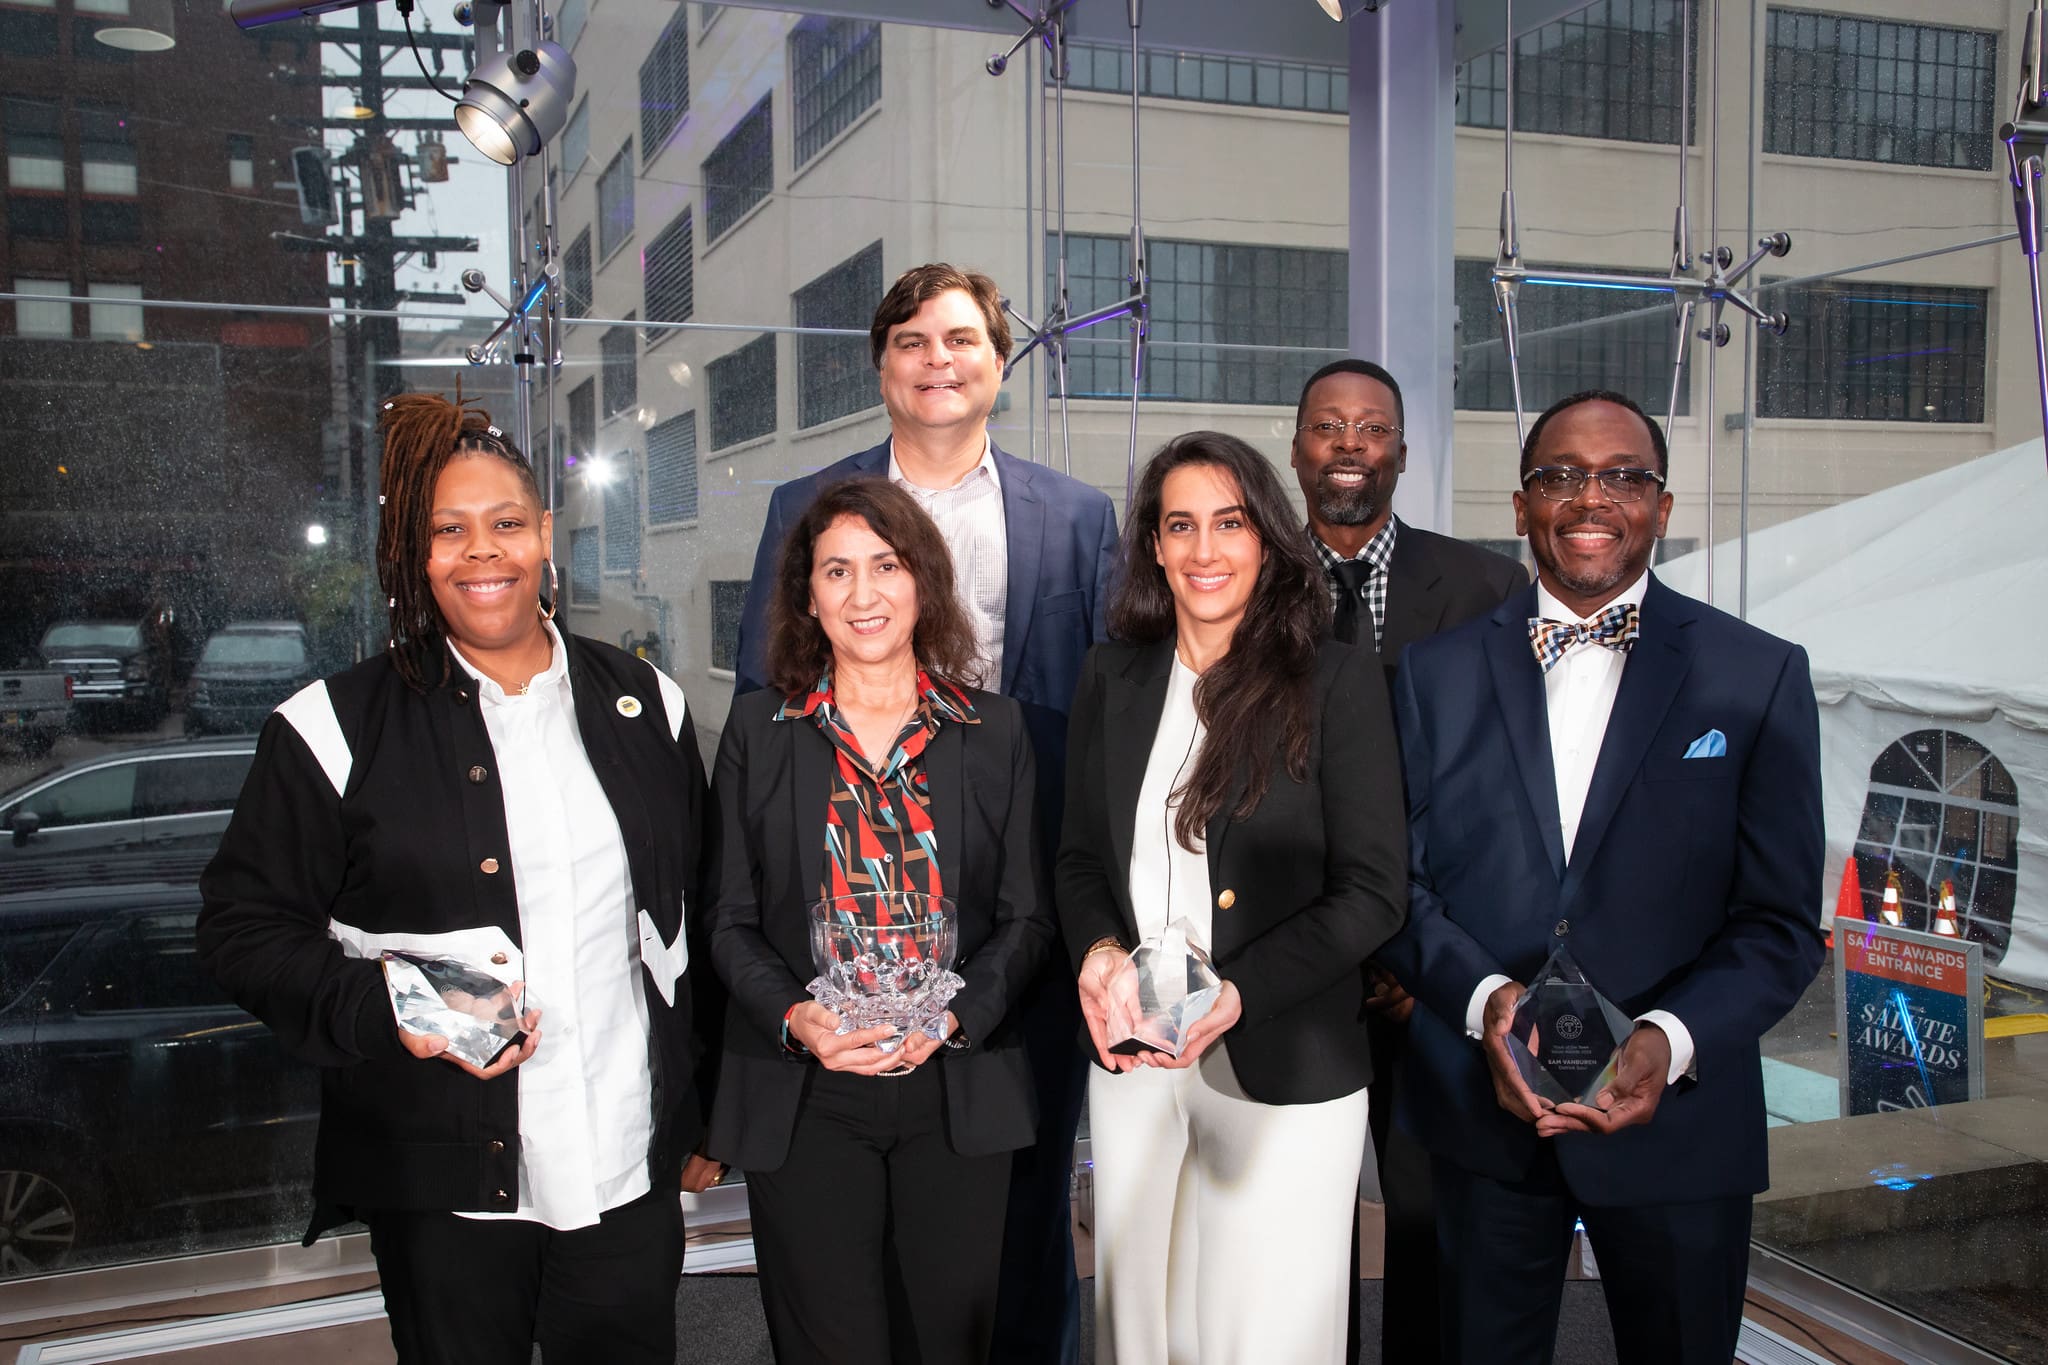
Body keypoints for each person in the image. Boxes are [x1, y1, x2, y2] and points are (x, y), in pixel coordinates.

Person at [196, 394, 717, 1365]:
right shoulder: (330, 727)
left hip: (625, 1169)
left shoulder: (650, 704)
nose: (484, 553)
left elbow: (697, 921)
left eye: (507, 524)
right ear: (415, 552)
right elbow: (239, 928)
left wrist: (703, 1112)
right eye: (450, 530)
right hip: (444, 1186)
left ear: (545, 535)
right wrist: (402, 1000)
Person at [1377, 390, 1825, 1364]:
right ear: (1520, 503)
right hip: (1476, 1123)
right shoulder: (1430, 674)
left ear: (1660, 506)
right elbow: (1395, 888)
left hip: (1680, 1132)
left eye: (1622, 475)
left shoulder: (1755, 676)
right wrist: (1486, 1003)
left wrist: (1667, 1039)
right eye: (1561, 476)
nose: (1592, 498)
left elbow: (1780, 923)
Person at [734, 262, 1118, 1365]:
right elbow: (774, 692)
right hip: (848, 898)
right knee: (848, 1207)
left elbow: (1099, 708)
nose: (936, 361)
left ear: (999, 362)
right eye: (910, 340)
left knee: (1024, 1177)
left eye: (959, 340)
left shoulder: (1078, 514)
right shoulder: (803, 510)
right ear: (880, 364)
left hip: (1017, 902)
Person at [1056, 431, 1409, 1363]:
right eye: (1181, 526)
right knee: (1141, 1326)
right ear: (1154, 547)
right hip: (1134, 1059)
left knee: (1264, 1334)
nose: (1205, 550)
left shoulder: (1333, 680)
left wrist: (1238, 993)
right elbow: (1080, 861)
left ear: (1267, 540)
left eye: (1230, 522)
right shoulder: (1112, 677)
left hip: (1285, 1057)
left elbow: (1374, 892)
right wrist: (1098, 953)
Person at [707, 476, 1056, 1365]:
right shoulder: (759, 730)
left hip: (954, 1086)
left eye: (886, 565)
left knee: (950, 1341)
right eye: (836, 572)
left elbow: (1026, 919)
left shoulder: (997, 730)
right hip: (808, 1092)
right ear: (807, 596)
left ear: (923, 581)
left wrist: (953, 1015)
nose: (863, 595)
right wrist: (796, 1017)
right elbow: (728, 919)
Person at [1288, 357, 1523, 1364]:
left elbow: (1501, 789)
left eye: (1372, 428)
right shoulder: (1243, 582)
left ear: (1400, 452)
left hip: (1432, 975)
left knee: (1429, 1222)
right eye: (1329, 427)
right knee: (1299, 1235)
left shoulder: (1483, 586)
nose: (1350, 445)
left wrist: (1412, 955)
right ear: (1296, 449)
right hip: (1293, 967)